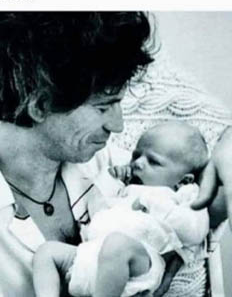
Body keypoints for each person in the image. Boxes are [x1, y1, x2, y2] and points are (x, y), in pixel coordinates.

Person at [0, 12, 232, 297]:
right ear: (39, 105)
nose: (118, 125)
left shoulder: (116, 165)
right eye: (103, 107)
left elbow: (210, 199)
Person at [33, 121, 211, 297]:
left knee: (117, 244)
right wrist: (110, 180)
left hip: (139, 265)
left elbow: (194, 232)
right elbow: (95, 210)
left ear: (184, 180)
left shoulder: (182, 196)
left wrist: (154, 202)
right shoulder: (124, 188)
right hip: (89, 257)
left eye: (153, 162)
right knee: (46, 252)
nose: (138, 163)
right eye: (136, 155)